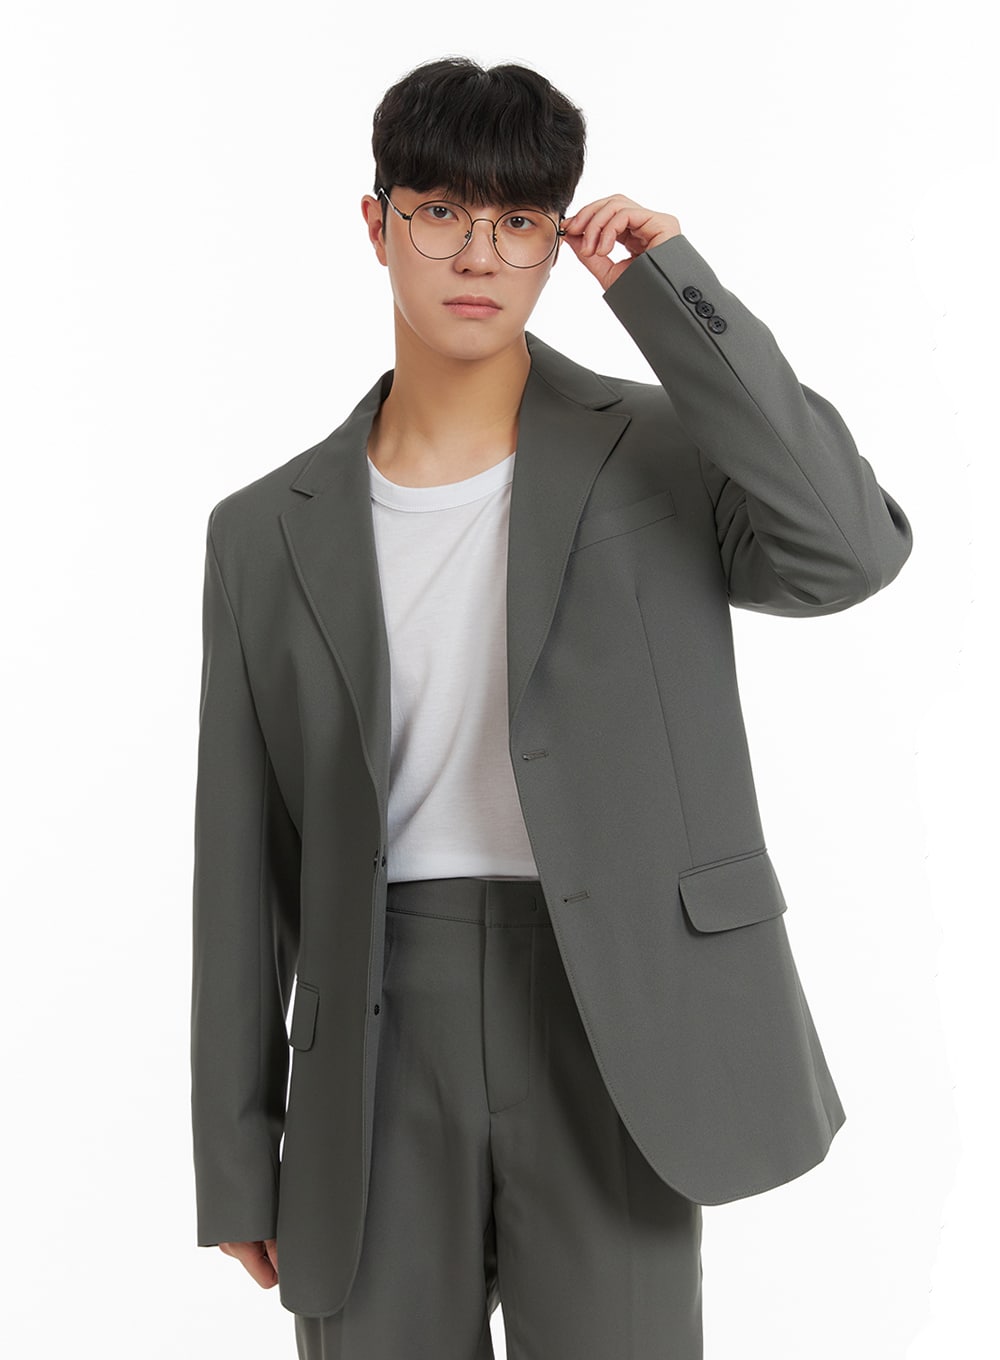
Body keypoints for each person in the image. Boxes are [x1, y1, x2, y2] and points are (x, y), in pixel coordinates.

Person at [190, 56, 913, 1360]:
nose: (480, 253)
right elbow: (243, 860)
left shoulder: (663, 451)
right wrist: (238, 1155)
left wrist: (675, 293)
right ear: (377, 225)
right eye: (441, 212)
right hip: (375, 1029)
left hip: (616, 1012)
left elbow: (848, 552)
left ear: (553, 240)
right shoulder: (261, 532)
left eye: (519, 219)